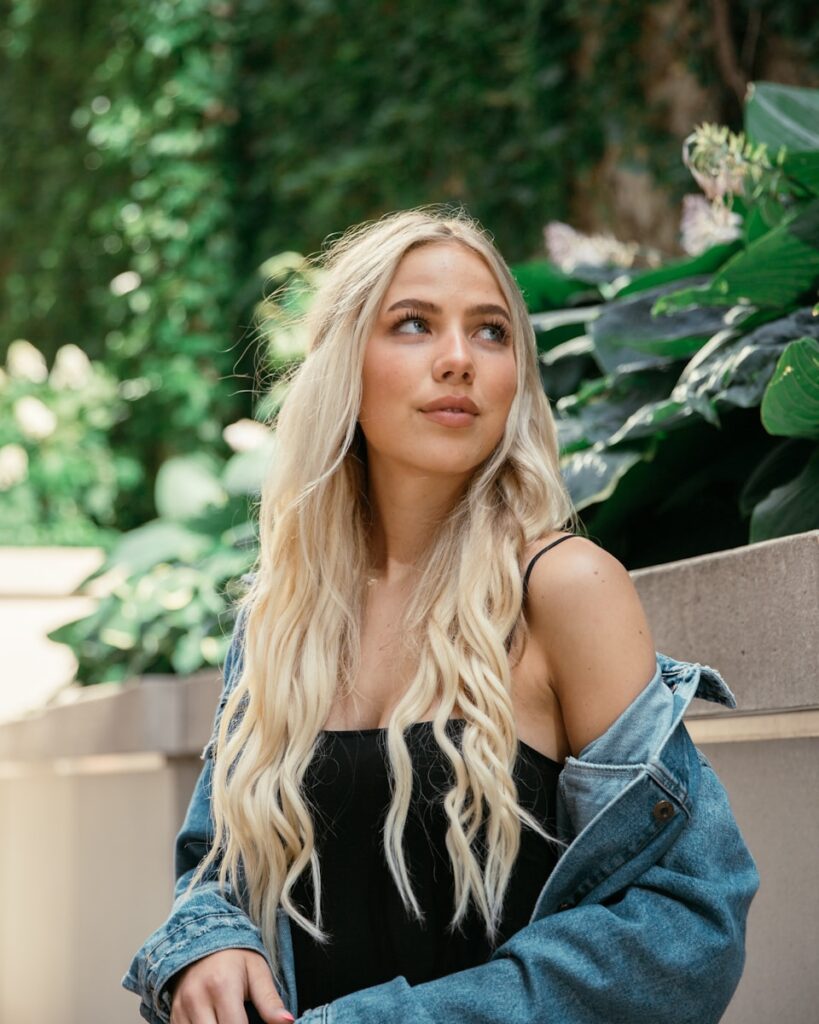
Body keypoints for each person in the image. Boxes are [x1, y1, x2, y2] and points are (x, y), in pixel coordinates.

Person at [123, 206, 758, 1024]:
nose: (458, 360)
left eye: (490, 332)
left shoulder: (562, 588)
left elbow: (686, 922)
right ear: (343, 366)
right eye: (414, 324)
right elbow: (213, 872)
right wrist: (207, 944)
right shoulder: (281, 620)